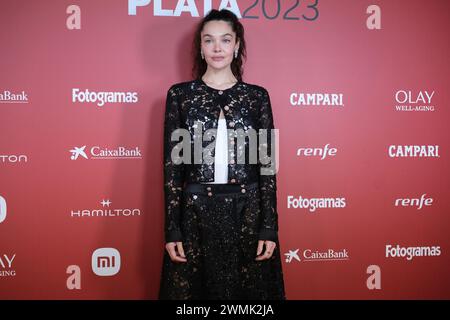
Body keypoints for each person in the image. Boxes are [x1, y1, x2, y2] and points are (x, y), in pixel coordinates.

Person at [159, 8, 286, 300]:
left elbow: (267, 167)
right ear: (201, 47)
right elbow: (173, 169)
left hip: (247, 215)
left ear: (237, 45)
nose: (217, 48)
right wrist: (172, 230)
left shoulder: (257, 97)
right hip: (195, 216)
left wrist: (269, 227)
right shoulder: (180, 96)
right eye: (209, 40)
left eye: (225, 40)